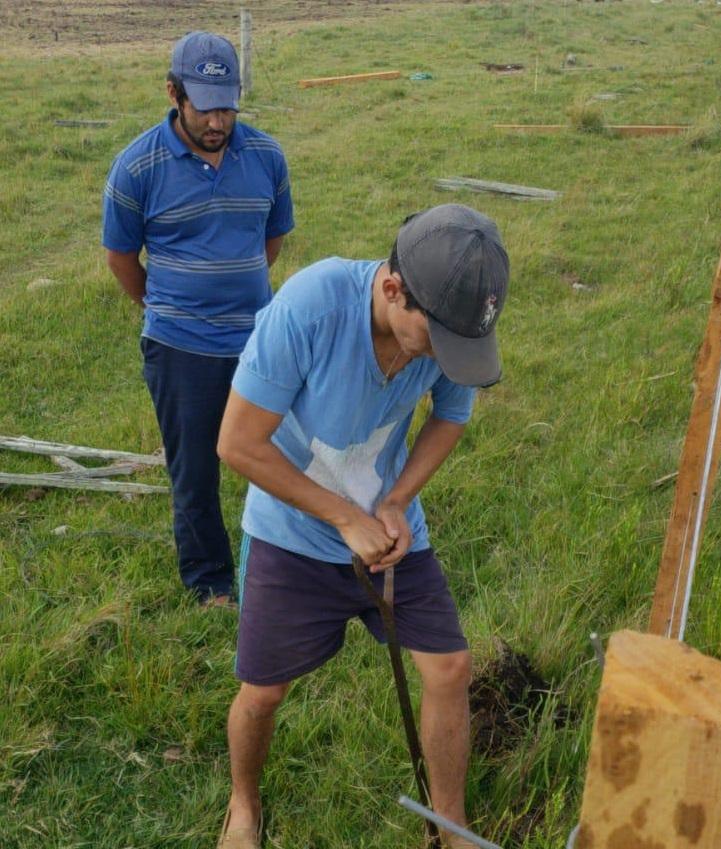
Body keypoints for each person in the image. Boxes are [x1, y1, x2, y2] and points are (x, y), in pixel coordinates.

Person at [215, 204, 509, 849]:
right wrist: (344, 516)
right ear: (393, 290)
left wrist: (398, 501)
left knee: (451, 668)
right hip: (289, 533)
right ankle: (243, 804)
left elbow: (451, 416)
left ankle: (452, 825)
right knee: (262, 693)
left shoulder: (449, 326)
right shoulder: (311, 307)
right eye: (437, 341)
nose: (444, 357)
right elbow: (237, 443)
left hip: (390, 529)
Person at [102, 31, 294, 605]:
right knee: (194, 472)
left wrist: (238, 292)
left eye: (228, 104)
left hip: (260, 340)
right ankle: (211, 582)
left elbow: (272, 238)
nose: (218, 119)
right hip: (179, 346)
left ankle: (296, 563)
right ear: (173, 92)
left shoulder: (266, 156)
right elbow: (120, 258)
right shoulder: (137, 167)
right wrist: (168, 307)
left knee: (287, 455)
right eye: (205, 104)